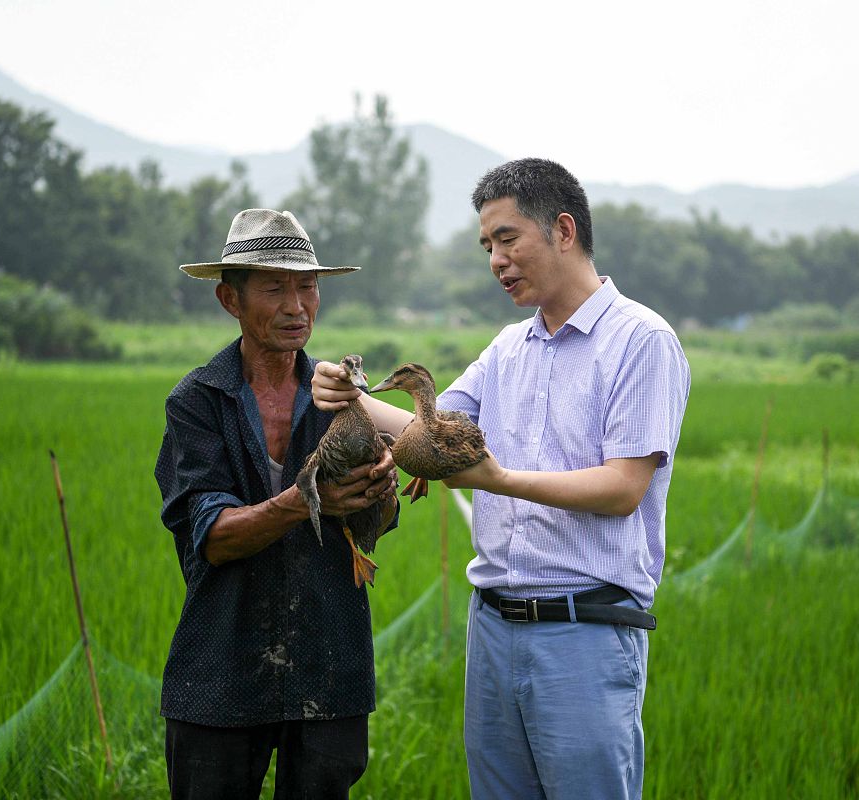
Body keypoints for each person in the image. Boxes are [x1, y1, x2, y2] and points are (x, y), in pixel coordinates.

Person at [312, 159, 690, 799]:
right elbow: (428, 427)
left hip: (585, 634)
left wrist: (499, 479)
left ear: (563, 230)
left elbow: (625, 488)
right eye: (487, 245)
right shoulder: (508, 348)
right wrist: (344, 391)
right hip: (492, 630)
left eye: (508, 239)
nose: (496, 259)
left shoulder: (640, 341)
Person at [154, 208, 398, 799]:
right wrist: (306, 500)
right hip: (221, 670)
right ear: (229, 301)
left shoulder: (343, 396)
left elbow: (377, 527)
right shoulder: (198, 402)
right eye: (274, 289)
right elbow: (212, 537)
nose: (297, 306)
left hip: (329, 665)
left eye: (307, 286)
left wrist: (380, 492)